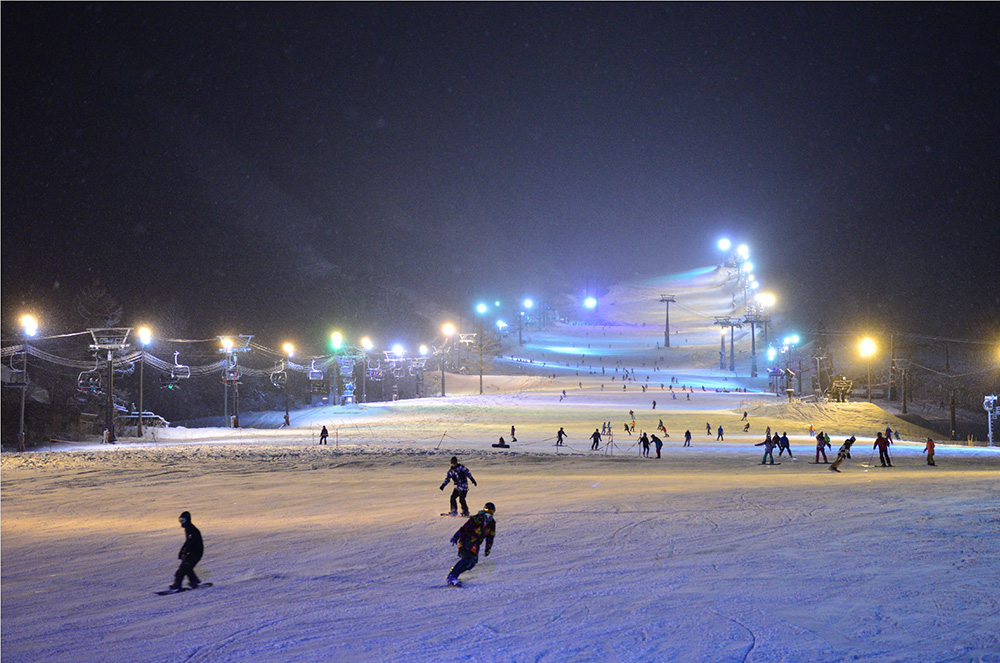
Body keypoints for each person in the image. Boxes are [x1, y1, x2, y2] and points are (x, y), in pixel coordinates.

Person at [446, 502, 497, 587]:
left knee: (472, 563)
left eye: (491, 512)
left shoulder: (492, 523)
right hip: (465, 541)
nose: (489, 514)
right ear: (484, 511)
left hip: (475, 545)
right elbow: (464, 528)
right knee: (467, 559)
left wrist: (488, 548)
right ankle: (452, 575)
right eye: (487, 511)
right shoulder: (476, 519)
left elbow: (490, 537)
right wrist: (456, 537)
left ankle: (455, 573)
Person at [170, 511, 203, 591]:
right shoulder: (189, 528)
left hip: (196, 552)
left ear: (187, 520)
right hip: (195, 552)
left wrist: (184, 552)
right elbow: (188, 542)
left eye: (182, 520)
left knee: (183, 568)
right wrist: (182, 552)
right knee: (187, 567)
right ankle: (194, 581)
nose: (181, 523)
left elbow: (190, 542)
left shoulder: (191, 529)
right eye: (180, 520)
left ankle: (178, 584)